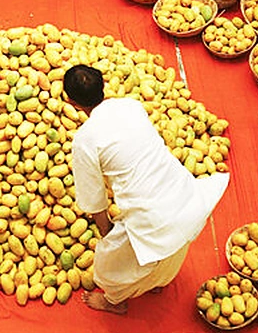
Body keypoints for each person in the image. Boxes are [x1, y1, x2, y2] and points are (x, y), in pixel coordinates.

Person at [63, 65, 229, 314]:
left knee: (111, 265)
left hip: (152, 213)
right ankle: (157, 282)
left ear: (71, 102)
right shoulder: (130, 106)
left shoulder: (85, 140)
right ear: (103, 85)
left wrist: (107, 233)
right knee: (171, 244)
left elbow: (94, 199)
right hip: (182, 193)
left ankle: (113, 301)